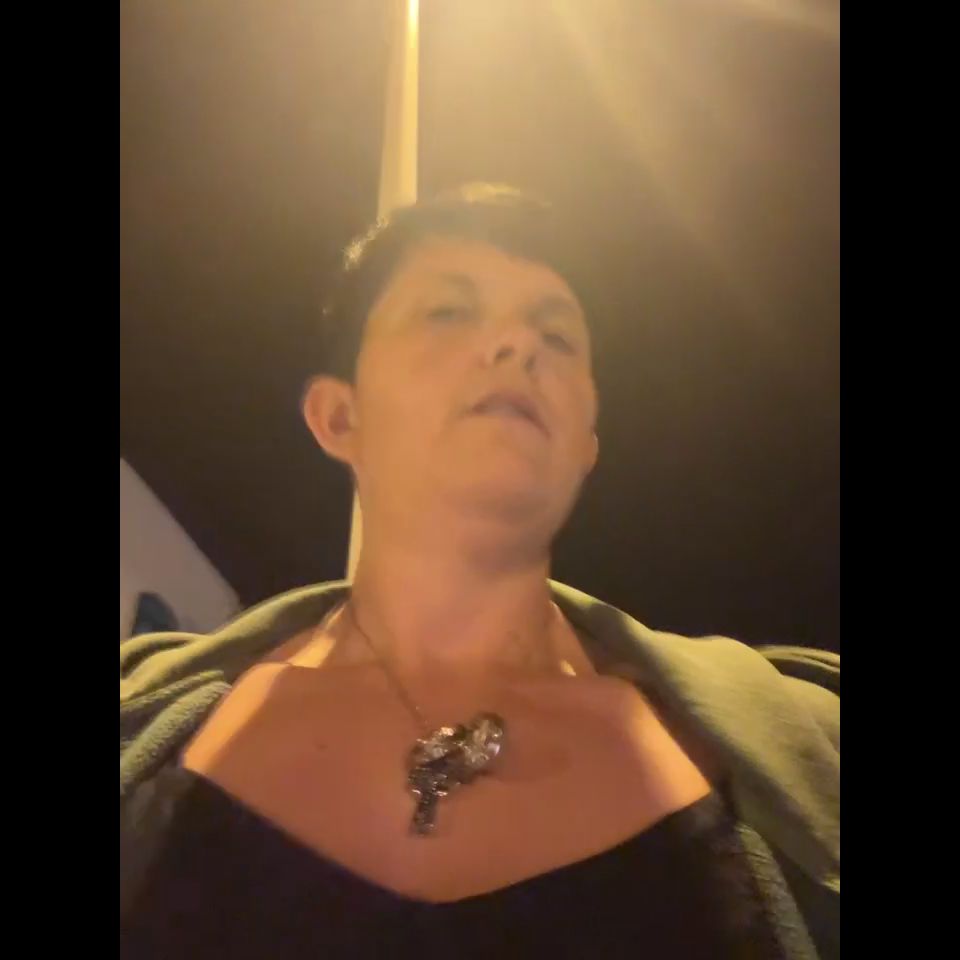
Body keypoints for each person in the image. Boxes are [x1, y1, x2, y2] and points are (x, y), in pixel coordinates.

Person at [120, 183, 839, 958]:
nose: (519, 344)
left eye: (557, 337)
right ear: (339, 416)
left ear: (586, 445)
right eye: (447, 312)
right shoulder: (146, 717)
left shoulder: (807, 742)